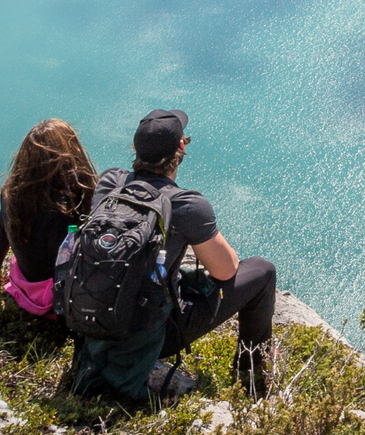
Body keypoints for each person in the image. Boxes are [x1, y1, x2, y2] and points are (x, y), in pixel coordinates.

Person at [72, 108, 278, 401]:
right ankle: (251, 375)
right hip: (150, 335)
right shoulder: (186, 204)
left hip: (93, 319)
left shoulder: (110, 183)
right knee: (262, 271)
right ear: (181, 147)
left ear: (136, 148)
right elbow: (226, 271)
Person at [0, 119, 97, 317]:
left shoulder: (11, 192)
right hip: (59, 297)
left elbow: (4, 232)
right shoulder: (71, 202)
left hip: (26, 288)